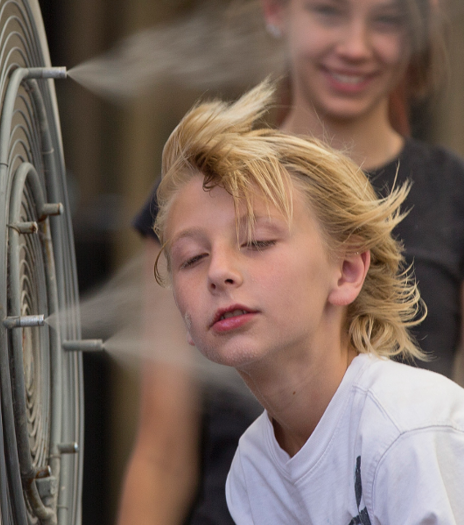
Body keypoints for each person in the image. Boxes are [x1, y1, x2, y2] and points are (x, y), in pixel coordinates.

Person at [117, 0, 464, 523]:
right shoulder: (253, 468)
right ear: (277, 11)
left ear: (349, 269)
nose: (220, 270)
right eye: (191, 257)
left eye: (257, 240)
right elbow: (161, 454)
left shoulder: (414, 431)